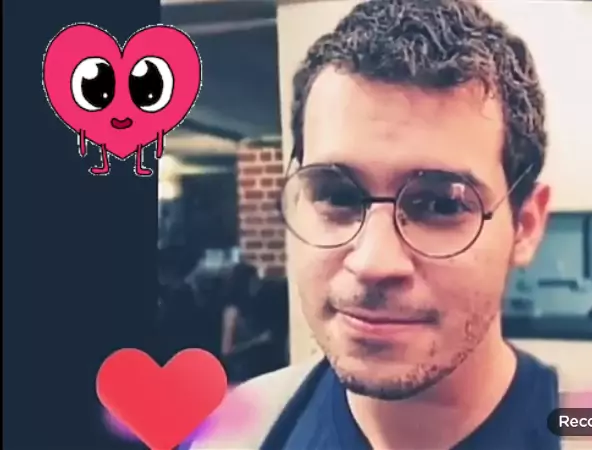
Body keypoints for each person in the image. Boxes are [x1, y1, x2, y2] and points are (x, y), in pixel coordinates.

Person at [190, 0, 560, 449]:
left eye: (441, 205)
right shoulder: (238, 434)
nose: (373, 263)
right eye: (337, 196)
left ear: (525, 226)